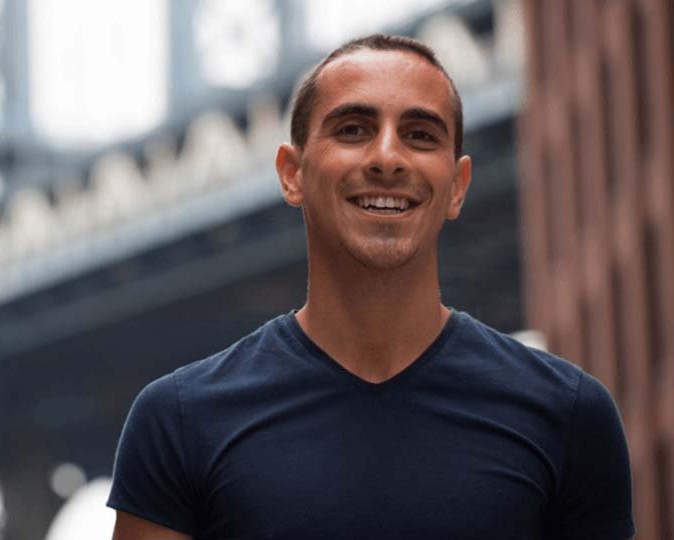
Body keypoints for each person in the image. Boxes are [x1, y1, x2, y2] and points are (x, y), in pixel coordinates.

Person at [106, 34, 635, 540]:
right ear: (291, 174)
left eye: (421, 135)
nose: (388, 157)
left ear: (458, 186)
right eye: (354, 130)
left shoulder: (568, 415)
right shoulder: (178, 419)